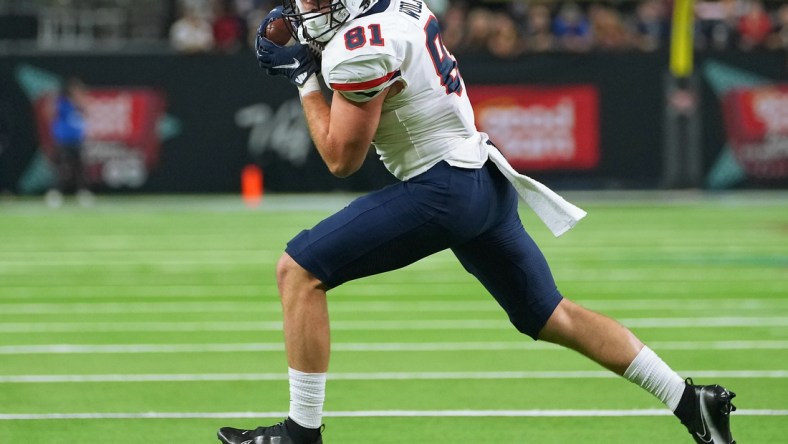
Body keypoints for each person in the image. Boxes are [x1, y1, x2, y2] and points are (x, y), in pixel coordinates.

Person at [217, 0, 737, 443]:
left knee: (299, 270)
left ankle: (300, 433)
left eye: (315, 1)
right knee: (552, 315)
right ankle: (692, 402)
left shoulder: (361, 48)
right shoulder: (398, 9)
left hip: (443, 187)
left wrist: (306, 80)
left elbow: (340, 158)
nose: (305, 11)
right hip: (483, 179)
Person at [47, 77, 93, 208]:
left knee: (80, 168)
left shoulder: (79, 105)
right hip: (63, 140)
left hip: (77, 140)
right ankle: (55, 193)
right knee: (62, 168)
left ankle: (83, 193)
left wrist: (81, 104)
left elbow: (86, 114)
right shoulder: (62, 103)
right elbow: (50, 114)